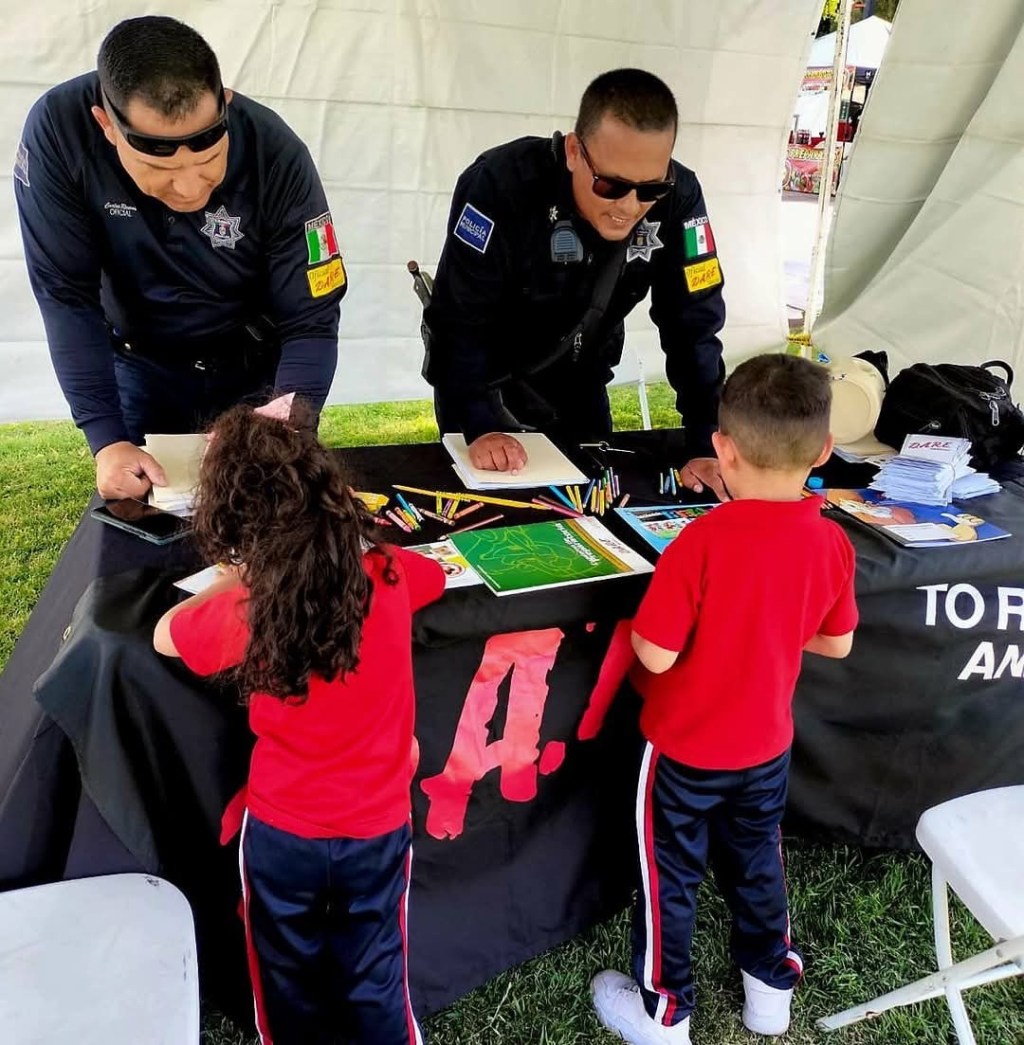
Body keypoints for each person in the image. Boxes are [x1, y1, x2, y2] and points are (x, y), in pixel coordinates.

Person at [153, 403, 444, 1045]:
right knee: (378, 967)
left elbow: (166, 637)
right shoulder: (388, 575)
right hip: (379, 820)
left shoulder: (247, 608)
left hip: (285, 829)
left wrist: (232, 578)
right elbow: (431, 577)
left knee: (284, 971)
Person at [591, 354, 859, 1044]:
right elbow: (837, 643)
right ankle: (770, 987)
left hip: (682, 746)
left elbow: (655, 652)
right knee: (758, 859)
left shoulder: (701, 540)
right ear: (825, 450)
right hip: (766, 745)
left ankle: (663, 1011)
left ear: (722, 448)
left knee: (669, 875)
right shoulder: (830, 539)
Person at [14, 16, 347, 500]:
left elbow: (312, 317)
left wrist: (286, 425)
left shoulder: (276, 152)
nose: (189, 188)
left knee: (272, 512)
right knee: (152, 521)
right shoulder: (59, 134)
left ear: (225, 105)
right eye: (158, 167)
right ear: (107, 127)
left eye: (209, 161)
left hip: (253, 364)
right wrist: (106, 440)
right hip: (143, 363)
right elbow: (65, 295)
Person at [424, 68, 727, 498]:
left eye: (649, 189)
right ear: (573, 152)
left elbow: (694, 324)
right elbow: (460, 315)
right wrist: (480, 422)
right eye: (610, 184)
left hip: (582, 381)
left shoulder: (681, 198)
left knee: (591, 508)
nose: (628, 206)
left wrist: (706, 439)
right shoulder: (500, 184)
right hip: (485, 382)